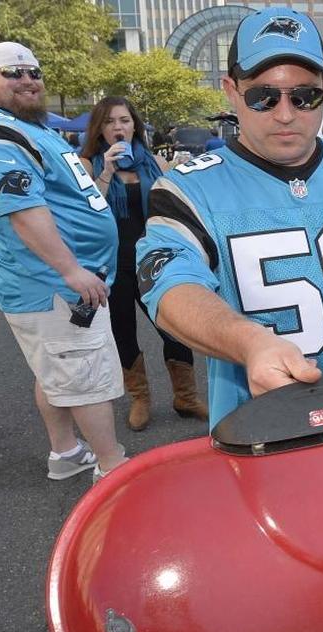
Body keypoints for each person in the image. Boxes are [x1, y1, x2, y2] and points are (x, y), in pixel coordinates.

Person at [135, 7, 323, 428]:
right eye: (263, 96)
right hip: (260, 424)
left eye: (304, 96)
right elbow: (169, 288)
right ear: (230, 90)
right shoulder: (188, 189)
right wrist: (250, 343)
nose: (285, 113)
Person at [0, 42, 126, 482]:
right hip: (53, 285)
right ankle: (112, 469)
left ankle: (67, 453)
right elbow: (22, 211)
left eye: (33, 71)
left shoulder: (29, 127)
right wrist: (71, 270)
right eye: (12, 73)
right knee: (84, 375)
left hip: (55, 282)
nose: (28, 79)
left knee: (56, 369)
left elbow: (71, 194)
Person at [79, 96, 208, 431]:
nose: (118, 127)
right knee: (124, 332)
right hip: (113, 262)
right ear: (99, 129)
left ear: (134, 124)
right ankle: (140, 398)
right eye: (109, 122)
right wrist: (106, 171)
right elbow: (87, 213)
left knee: (175, 327)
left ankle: (186, 397)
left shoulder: (150, 161)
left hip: (152, 259)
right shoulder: (88, 164)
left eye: (123, 120)